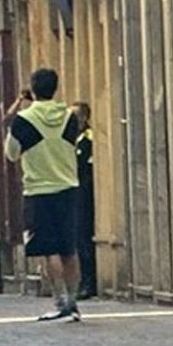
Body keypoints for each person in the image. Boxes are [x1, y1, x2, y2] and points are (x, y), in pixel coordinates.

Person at [5, 68, 83, 322]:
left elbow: (11, 154)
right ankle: (73, 301)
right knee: (69, 248)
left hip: (39, 190)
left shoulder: (24, 120)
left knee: (49, 250)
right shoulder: (69, 117)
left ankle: (60, 301)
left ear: (33, 89)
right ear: (56, 88)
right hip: (68, 187)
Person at [73, 102, 96, 300]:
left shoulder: (87, 138)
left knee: (84, 236)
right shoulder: (71, 138)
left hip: (84, 191)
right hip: (74, 190)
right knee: (78, 238)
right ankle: (82, 280)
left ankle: (89, 282)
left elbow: (83, 164)